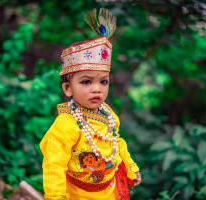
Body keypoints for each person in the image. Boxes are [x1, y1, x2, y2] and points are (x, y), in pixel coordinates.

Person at [40, 8, 141, 200]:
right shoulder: (66, 125)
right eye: (86, 82)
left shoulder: (108, 115)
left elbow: (117, 142)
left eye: (103, 81)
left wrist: (130, 166)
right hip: (79, 195)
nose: (97, 89)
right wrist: (55, 196)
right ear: (68, 88)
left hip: (110, 191)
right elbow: (54, 164)